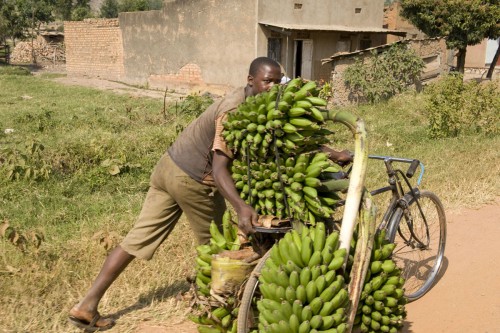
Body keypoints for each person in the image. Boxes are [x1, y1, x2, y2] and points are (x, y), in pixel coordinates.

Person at [68, 57, 352, 331]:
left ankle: (87, 305)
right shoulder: (232, 110)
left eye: (279, 82)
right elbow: (219, 169)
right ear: (251, 80)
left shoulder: (262, 103)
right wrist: (241, 207)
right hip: (193, 179)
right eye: (268, 81)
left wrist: (330, 153)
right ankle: (217, 311)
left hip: (168, 167)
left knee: (135, 240)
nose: (274, 88)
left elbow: (285, 140)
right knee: (220, 248)